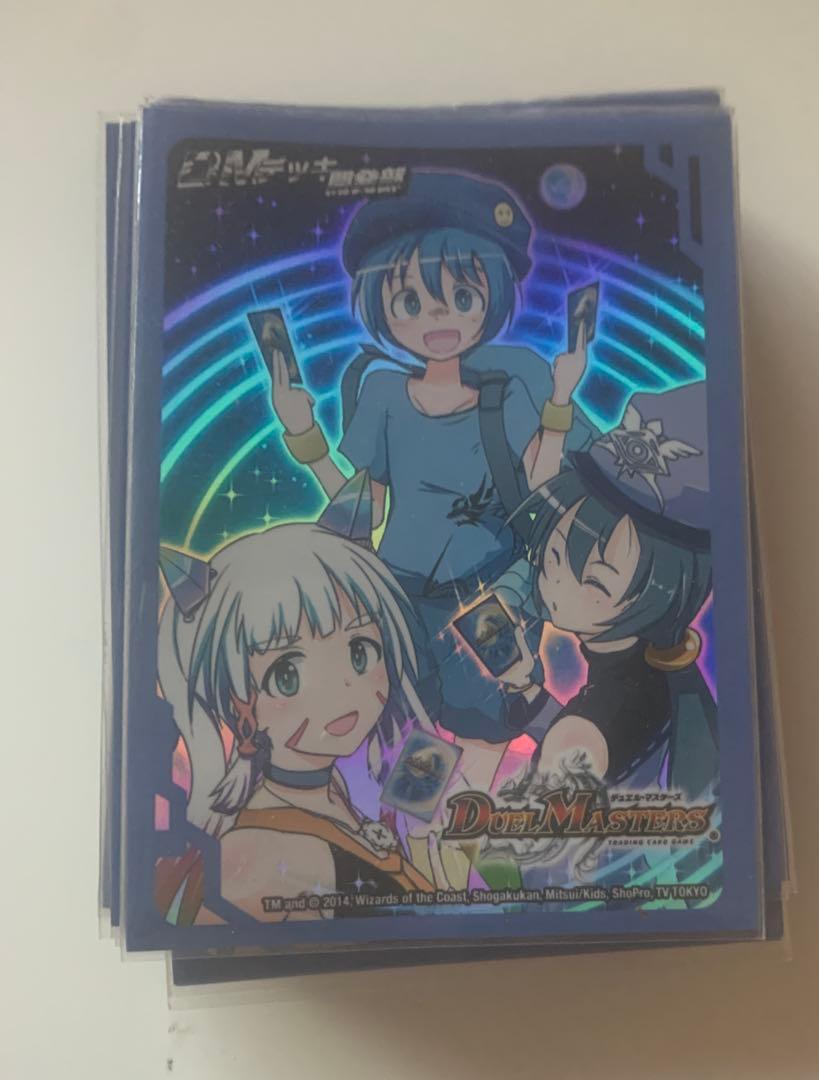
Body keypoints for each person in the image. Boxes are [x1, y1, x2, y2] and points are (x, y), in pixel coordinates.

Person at [269, 170, 595, 790]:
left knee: (487, 726)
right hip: (404, 595)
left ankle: (463, 833)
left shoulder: (510, 385)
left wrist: (560, 398)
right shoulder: (384, 394)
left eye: (463, 296)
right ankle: (419, 836)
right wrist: (303, 434)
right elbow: (361, 508)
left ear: (492, 298)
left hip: (494, 591)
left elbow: (542, 486)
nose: (438, 316)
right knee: (415, 725)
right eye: (411, 302)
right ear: (382, 308)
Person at [156, 482, 462, 924]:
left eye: (360, 652)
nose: (342, 690)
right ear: (235, 702)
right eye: (288, 675)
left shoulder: (331, 786)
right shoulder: (257, 853)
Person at [492, 384, 720, 798]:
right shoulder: (654, 675)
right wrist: (525, 688)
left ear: (662, 594)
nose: (555, 580)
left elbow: (586, 739)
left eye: (595, 581)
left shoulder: (595, 724)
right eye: (555, 553)